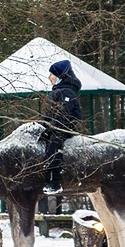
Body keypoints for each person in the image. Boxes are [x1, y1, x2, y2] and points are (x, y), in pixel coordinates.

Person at [40, 60, 82, 195]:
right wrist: (45, 128)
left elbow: (63, 115)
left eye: (52, 74)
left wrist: (51, 130)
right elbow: (50, 115)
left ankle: (54, 180)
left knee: (54, 144)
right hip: (53, 128)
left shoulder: (67, 92)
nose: (49, 77)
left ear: (60, 76)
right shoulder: (57, 91)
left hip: (64, 129)